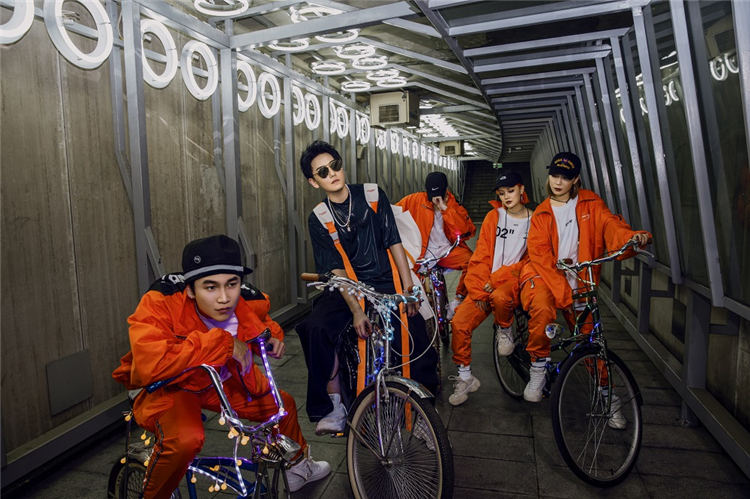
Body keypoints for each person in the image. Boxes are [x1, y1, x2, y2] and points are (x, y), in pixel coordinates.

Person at [112, 235, 330, 498]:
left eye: (232, 284)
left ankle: (297, 469)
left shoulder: (248, 299)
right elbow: (151, 364)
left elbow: (261, 320)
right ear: (190, 290)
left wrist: (272, 337)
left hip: (217, 381)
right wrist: (224, 344)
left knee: (282, 406)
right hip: (171, 385)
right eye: (210, 287)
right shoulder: (160, 303)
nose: (224, 298)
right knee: (186, 439)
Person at [296, 140, 439, 435]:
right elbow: (336, 268)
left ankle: (424, 413)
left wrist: (409, 288)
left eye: (335, 165)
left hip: (385, 281)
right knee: (316, 327)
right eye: (323, 172)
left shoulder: (372, 195)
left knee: (415, 332)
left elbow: (393, 241)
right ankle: (334, 404)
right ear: (314, 182)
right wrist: (356, 311)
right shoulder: (319, 217)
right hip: (346, 287)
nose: (332, 173)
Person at [521, 152, 651, 405]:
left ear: (575, 179)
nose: (558, 182)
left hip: (580, 280)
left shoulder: (591, 203)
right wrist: (561, 290)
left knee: (591, 339)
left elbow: (611, 226)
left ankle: (608, 396)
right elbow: (540, 254)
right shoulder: (542, 213)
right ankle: (537, 369)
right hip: (547, 277)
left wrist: (631, 238)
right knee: (542, 311)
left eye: (565, 177)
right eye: (554, 175)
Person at [448, 171, 531, 406]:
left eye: (511, 191)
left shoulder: (535, 220)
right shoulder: (494, 217)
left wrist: (499, 278)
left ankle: (505, 329)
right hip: (485, 284)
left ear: (522, 190)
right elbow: (482, 255)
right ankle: (465, 377)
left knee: (502, 296)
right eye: (502, 193)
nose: (506, 197)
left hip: (513, 282)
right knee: (459, 323)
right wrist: (479, 290)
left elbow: (531, 261)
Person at [396, 171, 476, 318]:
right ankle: (422, 317)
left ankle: (457, 300)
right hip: (421, 252)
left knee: (474, 262)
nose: (434, 198)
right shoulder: (414, 200)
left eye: (438, 193)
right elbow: (392, 213)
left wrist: (446, 210)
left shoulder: (453, 204)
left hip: (447, 250)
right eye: (431, 194)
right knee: (411, 283)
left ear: (446, 190)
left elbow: (466, 231)